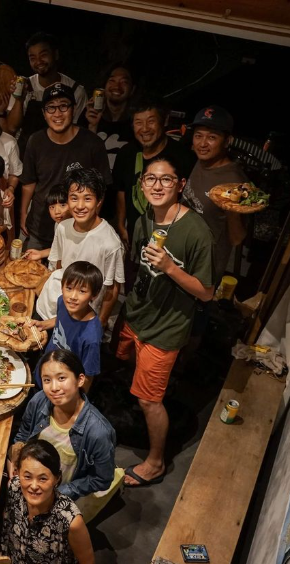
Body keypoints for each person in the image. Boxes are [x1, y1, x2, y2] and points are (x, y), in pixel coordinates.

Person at [117, 157, 214, 487]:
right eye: (150, 179)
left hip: (166, 327)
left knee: (150, 399)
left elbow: (206, 293)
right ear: (142, 184)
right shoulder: (146, 217)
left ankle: (156, 462)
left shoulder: (197, 232)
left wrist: (171, 268)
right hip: (137, 313)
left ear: (180, 184)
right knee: (128, 367)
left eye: (166, 180)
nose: (157, 186)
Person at [8, 350, 121, 523]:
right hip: (30, 484)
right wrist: (14, 460)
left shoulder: (98, 432)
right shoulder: (39, 401)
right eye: (47, 380)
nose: (54, 388)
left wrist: (61, 492)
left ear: (80, 380)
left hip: (59, 496)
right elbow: (23, 434)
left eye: (61, 378)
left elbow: (102, 479)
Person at [19, 83, 112, 251]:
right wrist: (23, 213)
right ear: (44, 113)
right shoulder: (35, 141)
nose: (57, 113)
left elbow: (101, 188)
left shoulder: (93, 143)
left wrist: (90, 222)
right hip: (40, 228)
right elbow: (29, 182)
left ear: (74, 109)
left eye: (63, 106)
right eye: (51, 108)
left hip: (78, 230)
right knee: (29, 267)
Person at [32, 168, 124, 325]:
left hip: (81, 318)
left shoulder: (111, 244)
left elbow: (112, 289)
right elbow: (58, 265)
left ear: (99, 201)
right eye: (74, 198)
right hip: (51, 308)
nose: (80, 206)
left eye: (87, 199)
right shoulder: (63, 227)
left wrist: (100, 323)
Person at [113, 98, 197, 249]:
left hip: (170, 238)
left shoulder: (184, 157)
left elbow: (191, 201)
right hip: (135, 235)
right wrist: (121, 224)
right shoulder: (126, 153)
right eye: (138, 122)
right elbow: (121, 190)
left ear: (164, 121)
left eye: (151, 121)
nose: (145, 129)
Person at [182, 105, 249, 283]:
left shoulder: (235, 181)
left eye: (212, 137)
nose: (203, 144)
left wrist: (232, 210)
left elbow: (237, 238)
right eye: (198, 136)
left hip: (202, 271)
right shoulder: (201, 161)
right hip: (179, 255)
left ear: (227, 141)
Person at [1, 439, 94, 564]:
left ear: (57, 478)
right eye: (27, 476)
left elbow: (87, 561)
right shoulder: (14, 487)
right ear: (17, 472)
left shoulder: (70, 520)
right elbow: (7, 529)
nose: (34, 486)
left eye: (43, 478)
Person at [7, 32, 88, 152]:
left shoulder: (76, 90)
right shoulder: (24, 86)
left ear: (56, 54)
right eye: (33, 58)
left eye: (43, 55)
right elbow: (11, 127)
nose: (38, 61)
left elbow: (78, 132)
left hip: (62, 153)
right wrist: (19, 99)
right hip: (27, 153)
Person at [31, 261, 104, 389]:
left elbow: (87, 377)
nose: (73, 297)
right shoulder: (62, 302)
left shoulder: (91, 337)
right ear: (62, 286)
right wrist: (43, 324)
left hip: (61, 388)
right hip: (45, 367)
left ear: (94, 295)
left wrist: (73, 400)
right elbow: (61, 319)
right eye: (69, 288)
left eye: (82, 291)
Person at [78, 64, 136, 171]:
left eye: (124, 82)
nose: (117, 86)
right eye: (112, 81)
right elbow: (79, 156)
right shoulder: (89, 114)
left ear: (132, 89)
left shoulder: (136, 121)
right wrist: (92, 126)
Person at [23, 184, 72, 264]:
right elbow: (58, 249)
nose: (57, 211)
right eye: (52, 207)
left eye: (62, 205)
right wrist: (40, 254)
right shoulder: (58, 224)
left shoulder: (75, 228)